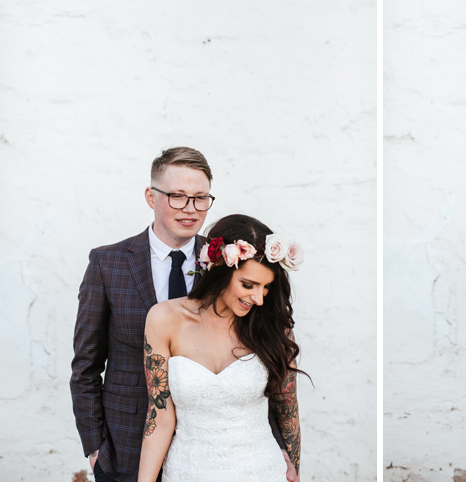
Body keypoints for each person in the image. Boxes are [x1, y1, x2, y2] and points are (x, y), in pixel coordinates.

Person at [70, 147, 295, 482]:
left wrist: (281, 449)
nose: (190, 209)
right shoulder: (108, 263)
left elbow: (267, 359)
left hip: (222, 452)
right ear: (151, 196)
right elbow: (86, 366)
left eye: (200, 198)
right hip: (128, 444)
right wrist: (94, 450)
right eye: (177, 196)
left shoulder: (231, 263)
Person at [137, 214, 305, 482]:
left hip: (262, 471)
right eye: (248, 285)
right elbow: (159, 416)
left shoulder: (274, 328)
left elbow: (288, 410)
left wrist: (295, 468)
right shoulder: (163, 319)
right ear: (220, 270)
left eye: (266, 288)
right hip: (187, 471)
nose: (259, 299)